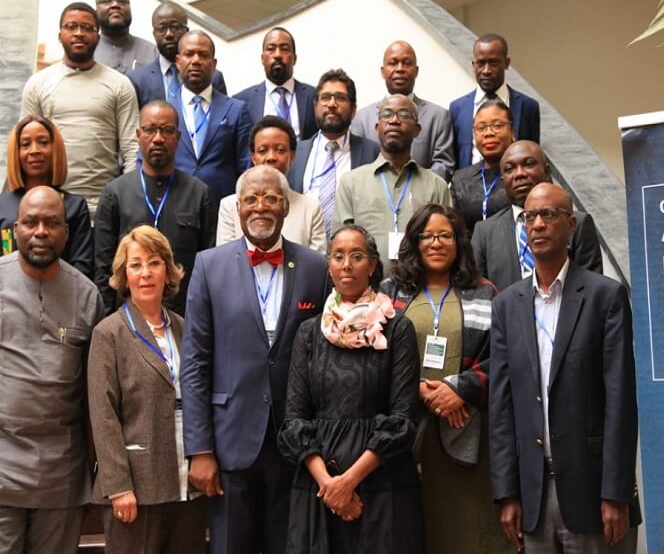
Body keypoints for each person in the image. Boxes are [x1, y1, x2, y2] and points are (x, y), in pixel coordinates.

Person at [0, 186, 104, 553]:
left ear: (66, 232)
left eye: (51, 223)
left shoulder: (89, 298)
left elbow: (95, 395)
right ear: (15, 229)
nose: (41, 231)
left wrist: (96, 468)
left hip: (61, 479)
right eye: (31, 222)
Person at [181, 165, 329, 554]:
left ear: (285, 207)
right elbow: (195, 362)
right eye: (251, 199)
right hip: (230, 443)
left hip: (294, 444)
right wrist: (199, 449)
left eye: (270, 199)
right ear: (238, 207)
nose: (260, 207)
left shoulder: (316, 268)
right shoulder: (208, 265)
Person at [489, 183, 641, 553]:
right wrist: (507, 492)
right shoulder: (508, 304)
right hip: (533, 496)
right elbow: (502, 404)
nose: (537, 224)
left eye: (548, 215)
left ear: (571, 225)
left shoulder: (605, 296)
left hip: (594, 494)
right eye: (529, 217)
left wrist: (616, 492)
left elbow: (620, 401)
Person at [279, 224, 423, 553]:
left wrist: (348, 482)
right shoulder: (308, 333)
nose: (347, 264)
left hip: (381, 481)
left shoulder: (398, 328)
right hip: (318, 485)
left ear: (372, 266)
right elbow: (294, 420)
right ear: (329, 266)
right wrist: (330, 485)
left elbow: (402, 419)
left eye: (357, 256)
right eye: (338, 256)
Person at [379, 204, 511, 553]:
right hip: (407, 430)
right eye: (428, 235)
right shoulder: (391, 292)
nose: (436, 243)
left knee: (466, 532)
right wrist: (420, 390)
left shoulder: (485, 292)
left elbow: (502, 358)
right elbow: (377, 358)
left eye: (445, 235)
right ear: (414, 241)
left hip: (467, 427)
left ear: (459, 242)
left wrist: (460, 390)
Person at [88, 225, 207, 553]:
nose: (145, 273)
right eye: (135, 265)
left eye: (154, 263)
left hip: (188, 483)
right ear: (123, 275)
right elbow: (103, 414)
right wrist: (118, 486)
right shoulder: (108, 333)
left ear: (168, 271)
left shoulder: (186, 328)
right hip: (137, 486)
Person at [94, 100, 216, 315]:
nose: (158, 138)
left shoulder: (200, 194)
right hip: (128, 319)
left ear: (178, 138)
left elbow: (208, 270)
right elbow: (103, 269)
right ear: (138, 135)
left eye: (167, 130)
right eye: (150, 130)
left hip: (184, 319)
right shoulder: (115, 193)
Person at [21, 2, 139, 216]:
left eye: (86, 28)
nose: (79, 33)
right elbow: (25, 149)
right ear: (60, 35)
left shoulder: (120, 84)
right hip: (52, 210)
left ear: (98, 37)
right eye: (71, 26)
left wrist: (125, 200)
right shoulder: (37, 84)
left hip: (105, 210)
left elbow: (132, 149)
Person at [335, 94, 451, 273]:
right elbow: (340, 247)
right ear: (377, 127)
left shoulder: (437, 186)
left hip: (421, 292)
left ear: (417, 130)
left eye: (404, 115)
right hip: (367, 293)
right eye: (387, 115)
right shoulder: (350, 183)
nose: (394, 120)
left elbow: (446, 245)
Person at [472, 140, 603, 291]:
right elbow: (480, 295)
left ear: (547, 172)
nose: (519, 174)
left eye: (528, 164)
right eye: (510, 169)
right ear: (503, 181)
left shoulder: (577, 222)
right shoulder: (484, 232)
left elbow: (592, 292)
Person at [0, 115, 93, 277]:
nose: (35, 150)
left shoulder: (74, 207)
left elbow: (82, 269)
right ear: (16, 152)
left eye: (43, 142)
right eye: (25, 144)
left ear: (55, 149)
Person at [217, 115, 327, 252]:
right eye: (262, 151)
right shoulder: (230, 206)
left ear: (292, 157)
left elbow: (315, 266)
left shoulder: (310, 208)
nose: (271, 157)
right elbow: (225, 261)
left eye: (280, 150)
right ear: (253, 158)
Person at [289, 69, 379, 233]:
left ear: (353, 110)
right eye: (325, 98)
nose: (332, 104)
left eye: (340, 98)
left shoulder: (372, 152)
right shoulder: (297, 152)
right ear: (315, 106)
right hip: (305, 249)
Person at [351, 40, 454, 180]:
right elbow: (357, 165)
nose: (400, 69)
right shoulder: (362, 118)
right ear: (383, 71)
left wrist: (415, 188)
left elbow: (444, 165)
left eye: (407, 63)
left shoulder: (439, 117)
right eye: (393, 63)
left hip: (421, 199)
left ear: (416, 71)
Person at [171, 30, 252, 202]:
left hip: (222, 208)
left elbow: (247, 168)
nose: (196, 61)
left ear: (214, 64)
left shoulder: (236, 110)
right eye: (189, 54)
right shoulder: (165, 111)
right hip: (175, 205)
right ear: (178, 62)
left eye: (203, 55)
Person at [450, 33, 540, 170]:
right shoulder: (457, 108)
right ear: (474, 65)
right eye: (481, 63)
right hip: (469, 187)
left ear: (507, 63)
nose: (486, 70)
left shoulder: (528, 107)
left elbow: (533, 156)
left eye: (493, 63)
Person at [128, 2, 227, 108]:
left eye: (175, 27)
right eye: (162, 29)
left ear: (186, 31)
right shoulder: (138, 80)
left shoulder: (213, 77)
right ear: (154, 34)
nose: (169, 34)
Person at [233, 27, 317, 140]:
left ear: (294, 58)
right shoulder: (242, 102)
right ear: (262, 59)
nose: (277, 55)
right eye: (271, 49)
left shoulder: (314, 96)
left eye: (284, 49)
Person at [450, 100, 513, 233]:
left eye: (497, 125)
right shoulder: (461, 179)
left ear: (512, 131)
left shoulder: (524, 174)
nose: (488, 133)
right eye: (481, 127)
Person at [93, 0, 158, 74]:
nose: (115, 5)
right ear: (95, 12)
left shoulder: (151, 51)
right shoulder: (87, 51)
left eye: (122, 1)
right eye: (106, 0)